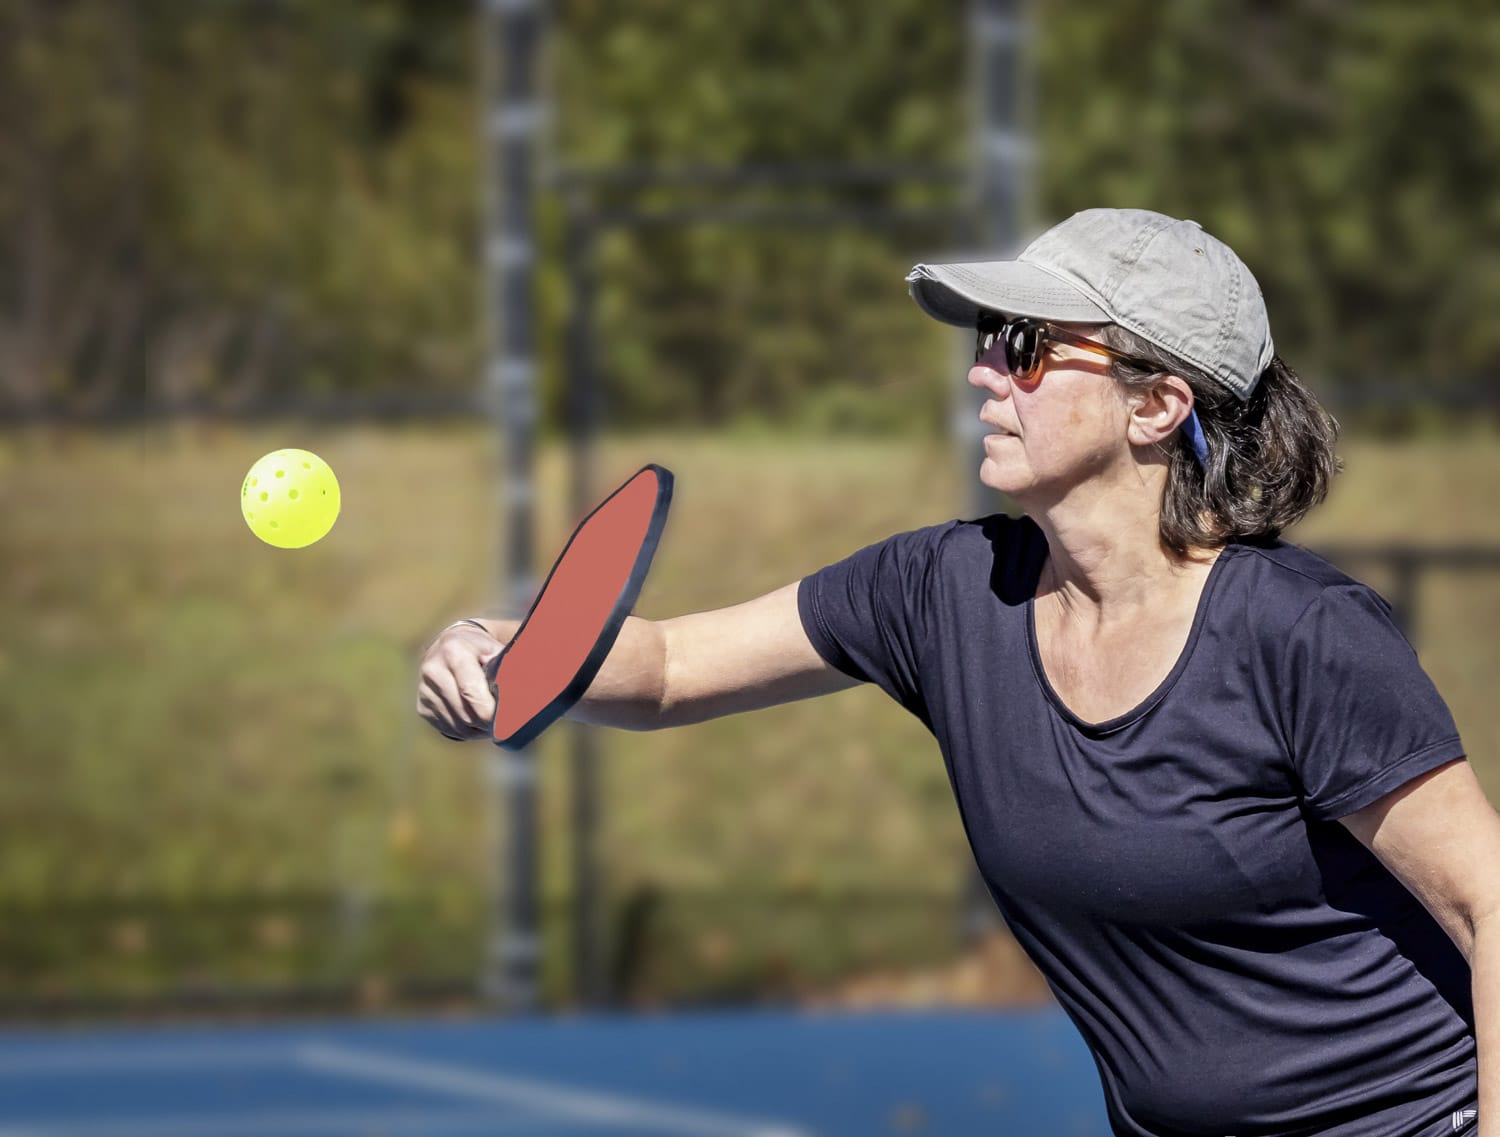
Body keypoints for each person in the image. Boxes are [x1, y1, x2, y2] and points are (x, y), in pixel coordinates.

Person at [417, 208, 1500, 1137]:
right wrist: (504, 645)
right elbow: (662, 669)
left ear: (1156, 404)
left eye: (1027, 344)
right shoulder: (945, 589)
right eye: (988, 338)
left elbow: (1488, 905)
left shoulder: (1300, 634)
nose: (985, 370)